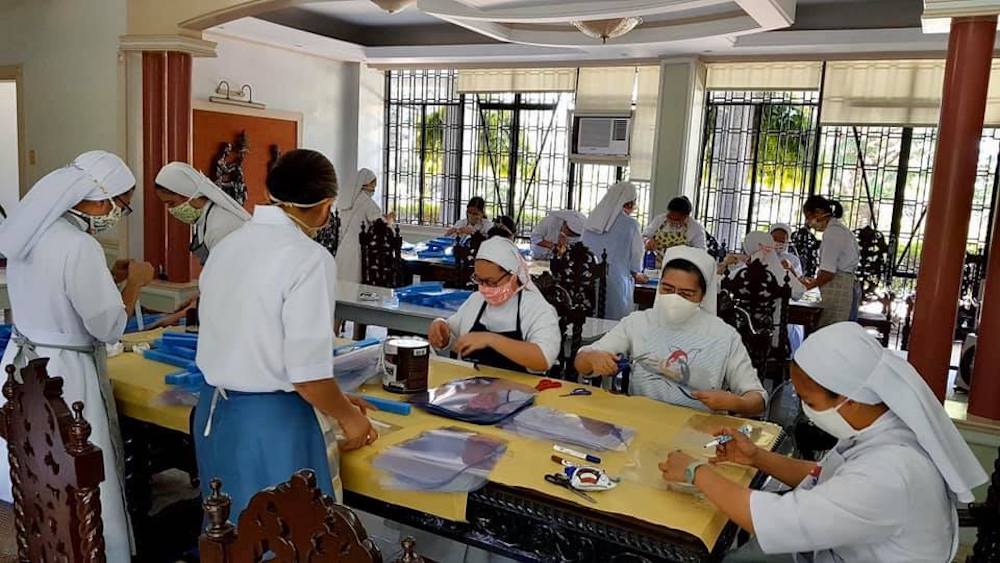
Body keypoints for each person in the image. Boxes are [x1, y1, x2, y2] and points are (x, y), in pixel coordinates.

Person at [660, 322, 988, 563]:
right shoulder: (885, 428)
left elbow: (779, 520)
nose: (803, 409)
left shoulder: (891, 471)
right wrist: (757, 457)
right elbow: (828, 476)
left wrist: (696, 473)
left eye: (809, 401)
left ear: (852, 398)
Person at [195, 149, 377, 515]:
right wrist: (349, 418)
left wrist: (336, 400)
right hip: (273, 426)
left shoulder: (228, 245)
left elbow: (255, 341)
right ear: (326, 205)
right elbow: (307, 378)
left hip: (216, 414)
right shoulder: (308, 258)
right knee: (285, 537)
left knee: (230, 533)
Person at [0, 150, 156, 561]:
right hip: (66, 377)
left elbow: (54, 293)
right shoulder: (78, 244)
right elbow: (107, 327)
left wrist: (110, 277)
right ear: (102, 198)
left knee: (40, 470)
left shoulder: (33, 232)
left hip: (23, 366)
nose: (120, 214)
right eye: (123, 205)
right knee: (84, 476)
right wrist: (135, 284)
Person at [575, 246, 767, 416]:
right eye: (667, 289)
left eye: (686, 294)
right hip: (642, 423)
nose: (675, 298)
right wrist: (592, 358)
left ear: (703, 295)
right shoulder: (638, 322)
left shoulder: (724, 336)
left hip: (699, 431)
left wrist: (736, 403)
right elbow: (581, 361)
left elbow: (758, 399)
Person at [428, 237, 561, 373]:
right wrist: (441, 328)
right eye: (479, 280)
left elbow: (543, 359)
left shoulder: (537, 309)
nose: (484, 287)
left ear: (513, 276)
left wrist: (491, 340)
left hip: (520, 391)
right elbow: (454, 337)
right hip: (471, 388)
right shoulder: (476, 301)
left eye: (491, 282)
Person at [153, 162, 250, 265]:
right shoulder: (204, 218)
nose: (171, 210)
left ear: (189, 194)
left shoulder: (221, 227)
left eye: (171, 203)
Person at [582, 181, 646, 321]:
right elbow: (637, 254)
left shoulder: (592, 221)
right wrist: (636, 272)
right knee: (614, 325)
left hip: (588, 281)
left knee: (591, 320)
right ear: (629, 203)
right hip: (617, 281)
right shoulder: (631, 224)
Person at [800, 195, 860, 327]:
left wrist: (807, 287)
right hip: (843, 286)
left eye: (808, 217)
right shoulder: (838, 230)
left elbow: (828, 273)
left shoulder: (833, 233)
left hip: (839, 288)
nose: (809, 222)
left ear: (819, 212)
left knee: (832, 331)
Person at [336, 168, 390, 284]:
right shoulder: (366, 202)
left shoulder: (347, 200)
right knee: (354, 284)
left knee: (341, 283)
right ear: (365, 183)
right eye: (373, 185)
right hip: (358, 248)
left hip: (343, 246)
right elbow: (381, 226)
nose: (374, 189)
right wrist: (389, 220)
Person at [643, 196, 707, 265]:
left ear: (686, 216)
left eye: (677, 220)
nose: (672, 221)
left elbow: (701, 253)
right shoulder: (659, 220)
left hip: (681, 268)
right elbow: (643, 236)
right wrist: (647, 241)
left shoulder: (696, 228)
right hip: (655, 265)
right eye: (670, 217)